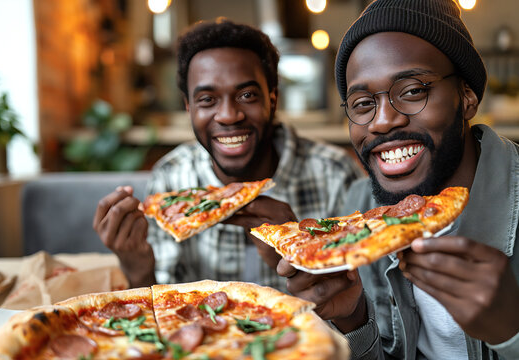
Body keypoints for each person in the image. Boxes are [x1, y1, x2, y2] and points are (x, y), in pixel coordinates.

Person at [277, 0, 519, 359]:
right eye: (362, 104)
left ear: (466, 95)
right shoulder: (359, 208)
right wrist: (354, 322)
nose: (382, 121)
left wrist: (511, 334)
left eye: (412, 92)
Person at [93, 18, 362, 293]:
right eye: (207, 99)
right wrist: (139, 271)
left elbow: (367, 311)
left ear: (272, 99)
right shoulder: (171, 177)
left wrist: (298, 253)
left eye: (246, 95)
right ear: (188, 107)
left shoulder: (336, 173)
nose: (228, 115)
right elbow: (165, 314)